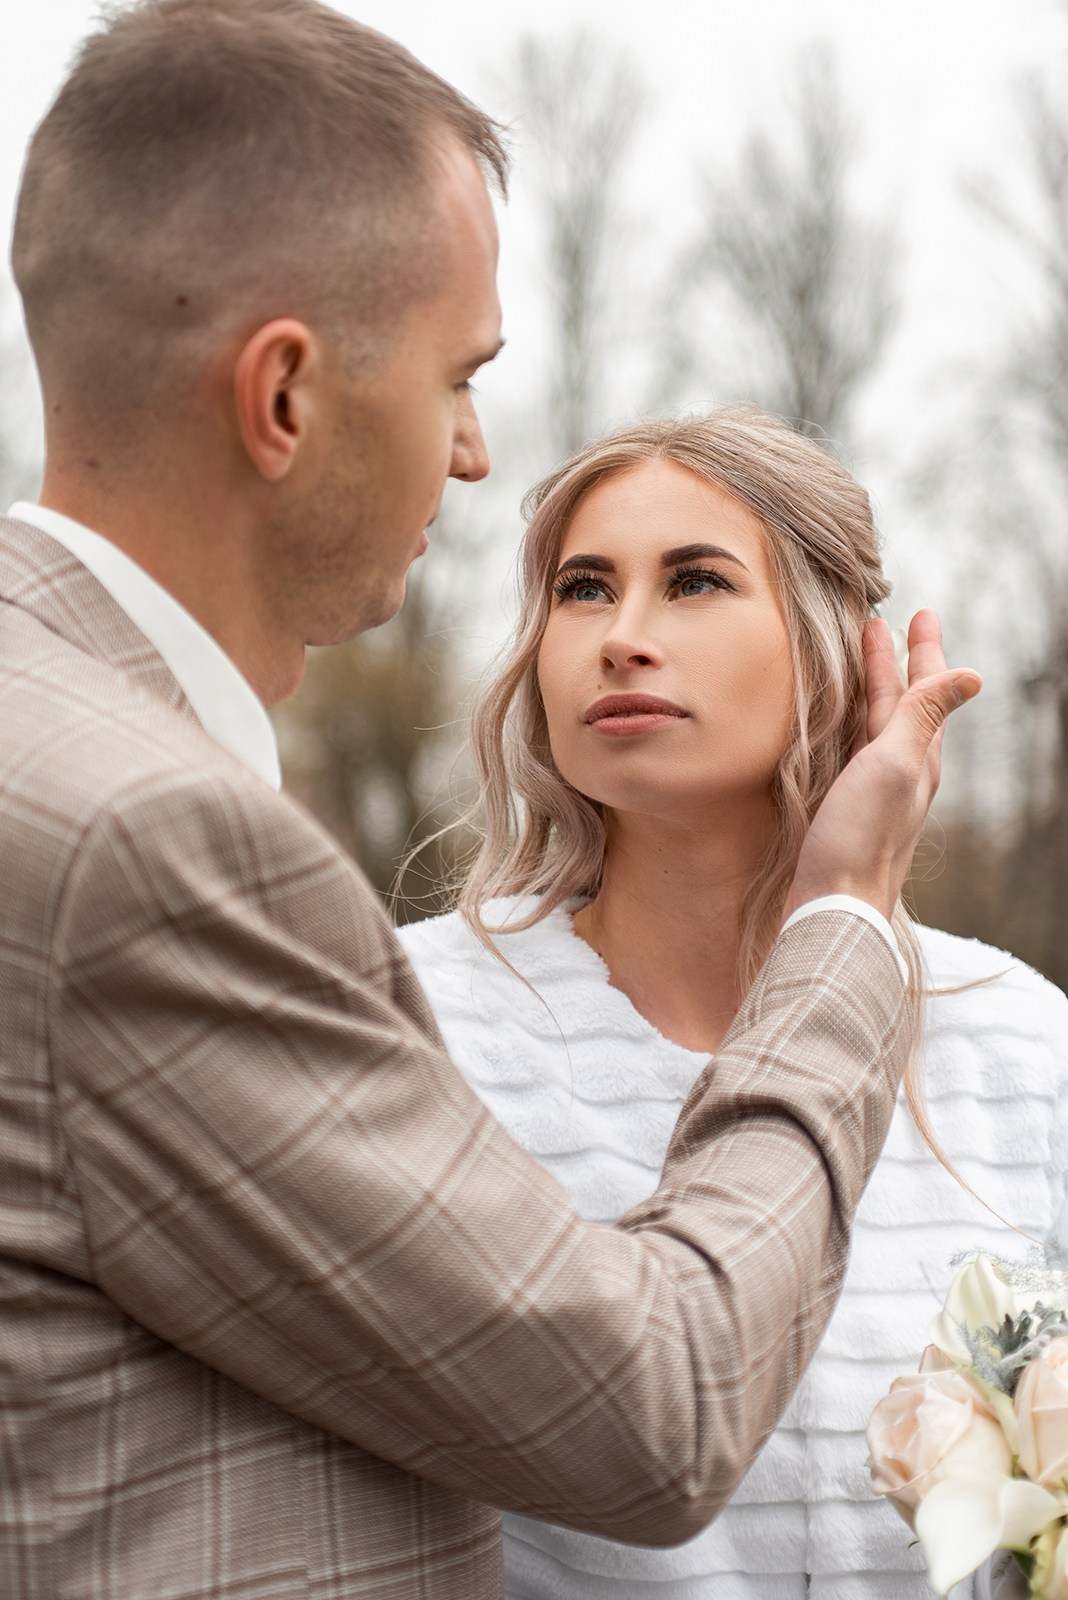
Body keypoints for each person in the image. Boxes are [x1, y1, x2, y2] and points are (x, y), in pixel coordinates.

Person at [0, 2, 980, 1596]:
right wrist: (846, 929)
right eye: (462, 377)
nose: (472, 456)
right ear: (286, 399)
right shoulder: (148, 844)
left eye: (698, 581)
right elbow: (652, 1409)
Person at [398, 406, 1066, 1600]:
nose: (623, 637)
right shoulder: (418, 1022)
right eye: (582, 589)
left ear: (832, 647)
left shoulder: (1022, 1041)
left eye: (696, 581)